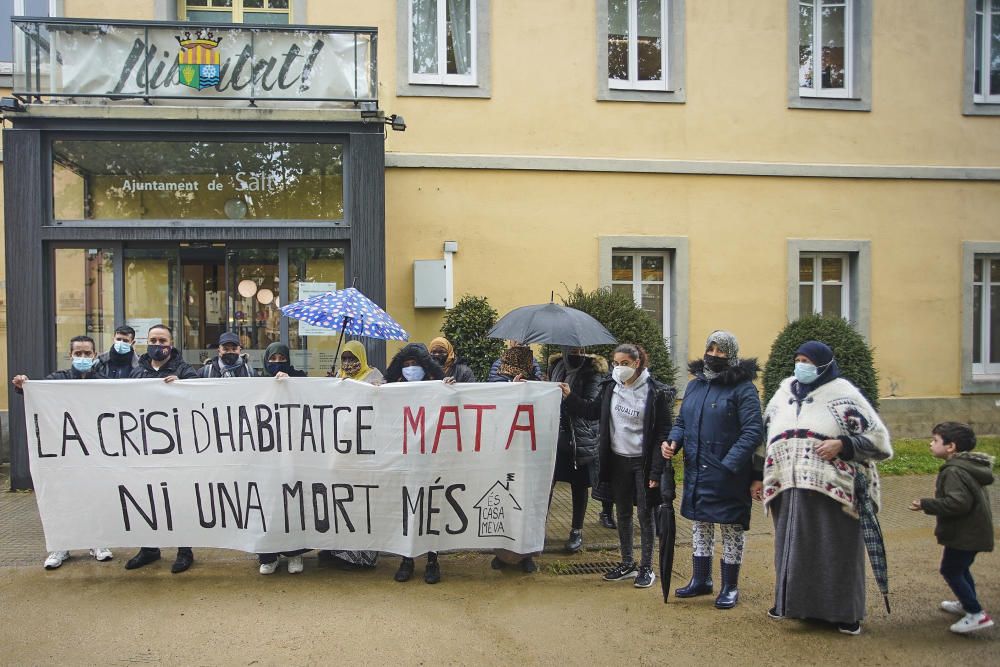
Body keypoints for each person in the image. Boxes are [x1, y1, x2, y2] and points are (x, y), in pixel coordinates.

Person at [758, 340, 892, 635]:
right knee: (792, 549)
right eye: (798, 359)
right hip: (788, 487)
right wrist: (757, 475)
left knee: (836, 551)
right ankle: (793, 605)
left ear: (823, 364)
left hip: (833, 491)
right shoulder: (784, 391)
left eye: (807, 360)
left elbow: (879, 441)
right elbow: (765, 434)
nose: (801, 365)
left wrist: (843, 444)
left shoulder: (842, 393)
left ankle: (844, 614)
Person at [662, 331, 763, 609]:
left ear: (731, 354)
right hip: (697, 469)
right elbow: (682, 421)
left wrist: (730, 463)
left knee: (731, 528)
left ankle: (730, 586)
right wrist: (673, 441)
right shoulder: (695, 385)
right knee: (701, 525)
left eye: (721, 351)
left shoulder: (743, 388)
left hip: (729, 473)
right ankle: (701, 579)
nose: (715, 355)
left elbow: (754, 430)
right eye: (712, 349)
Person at [561, 343, 674, 589]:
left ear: (637, 364)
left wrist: (657, 470)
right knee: (622, 513)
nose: (619, 368)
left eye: (625, 364)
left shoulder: (655, 392)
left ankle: (646, 567)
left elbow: (663, 431)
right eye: (615, 363)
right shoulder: (610, 388)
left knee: (645, 515)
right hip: (618, 460)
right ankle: (627, 563)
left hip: (642, 463)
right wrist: (570, 396)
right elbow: (592, 412)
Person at [11, 335, 114, 570]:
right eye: (78, 353)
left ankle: (97, 542)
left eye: (87, 353)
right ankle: (61, 546)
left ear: (95, 355)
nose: (83, 357)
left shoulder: (103, 381)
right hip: (64, 450)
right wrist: (23, 386)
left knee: (94, 495)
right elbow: (37, 394)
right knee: (63, 497)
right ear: (70, 356)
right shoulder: (59, 379)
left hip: (95, 450)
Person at [126, 324, 200, 574]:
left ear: (171, 343)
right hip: (145, 445)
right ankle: (149, 548)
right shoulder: (136, 372)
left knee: (179, 496)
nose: (158, 345)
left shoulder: (184, 369)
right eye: (153, 340)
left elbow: (201, 396)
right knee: (146, 496)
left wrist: (183, 387)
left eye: (162, 340)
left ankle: (184, 550)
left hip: (178, 445)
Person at [909, 422, 995, 634]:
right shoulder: (967, 465)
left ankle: (976, 614)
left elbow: (958, 503)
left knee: (951, 569)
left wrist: (925, 504)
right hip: (972, 531)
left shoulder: (954, 471)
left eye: (935, 440)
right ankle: (967, 603)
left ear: (951, 447)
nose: (931, 444)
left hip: (965, 533)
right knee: (960, 568)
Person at [319, 340, 384, 571]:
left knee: (359, 502)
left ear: (362, 358)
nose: (348, 363)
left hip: (363, 453)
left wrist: (367, 390)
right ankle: (337, 551)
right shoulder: (337, 377)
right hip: (340, 451)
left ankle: (361, 557)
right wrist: (332, 385)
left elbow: (380, 407)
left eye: (353, 358)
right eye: (345, 358)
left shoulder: (374, 378)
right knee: (339, 500)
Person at [384, 343, 446, 584]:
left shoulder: (438, 388)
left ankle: (433, 560)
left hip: (432, 460)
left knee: (432, 509)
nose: (411, 369)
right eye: (406, 365)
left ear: (425, 367)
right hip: (404, 461)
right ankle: (406, 559)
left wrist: (451, 389)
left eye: (415, 365)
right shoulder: (394, 389)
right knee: (406, 510)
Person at [548, 347, 607, 553]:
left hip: (580, 439)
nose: (576, 351)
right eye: (571, 347)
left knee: (579, 486)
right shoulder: (555, 366)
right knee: (547, 484)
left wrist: (570, 396)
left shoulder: (593, 371)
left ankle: (576, 530)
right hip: (555, 437)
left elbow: (591, 409)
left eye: (580, 348)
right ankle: (538, 527)